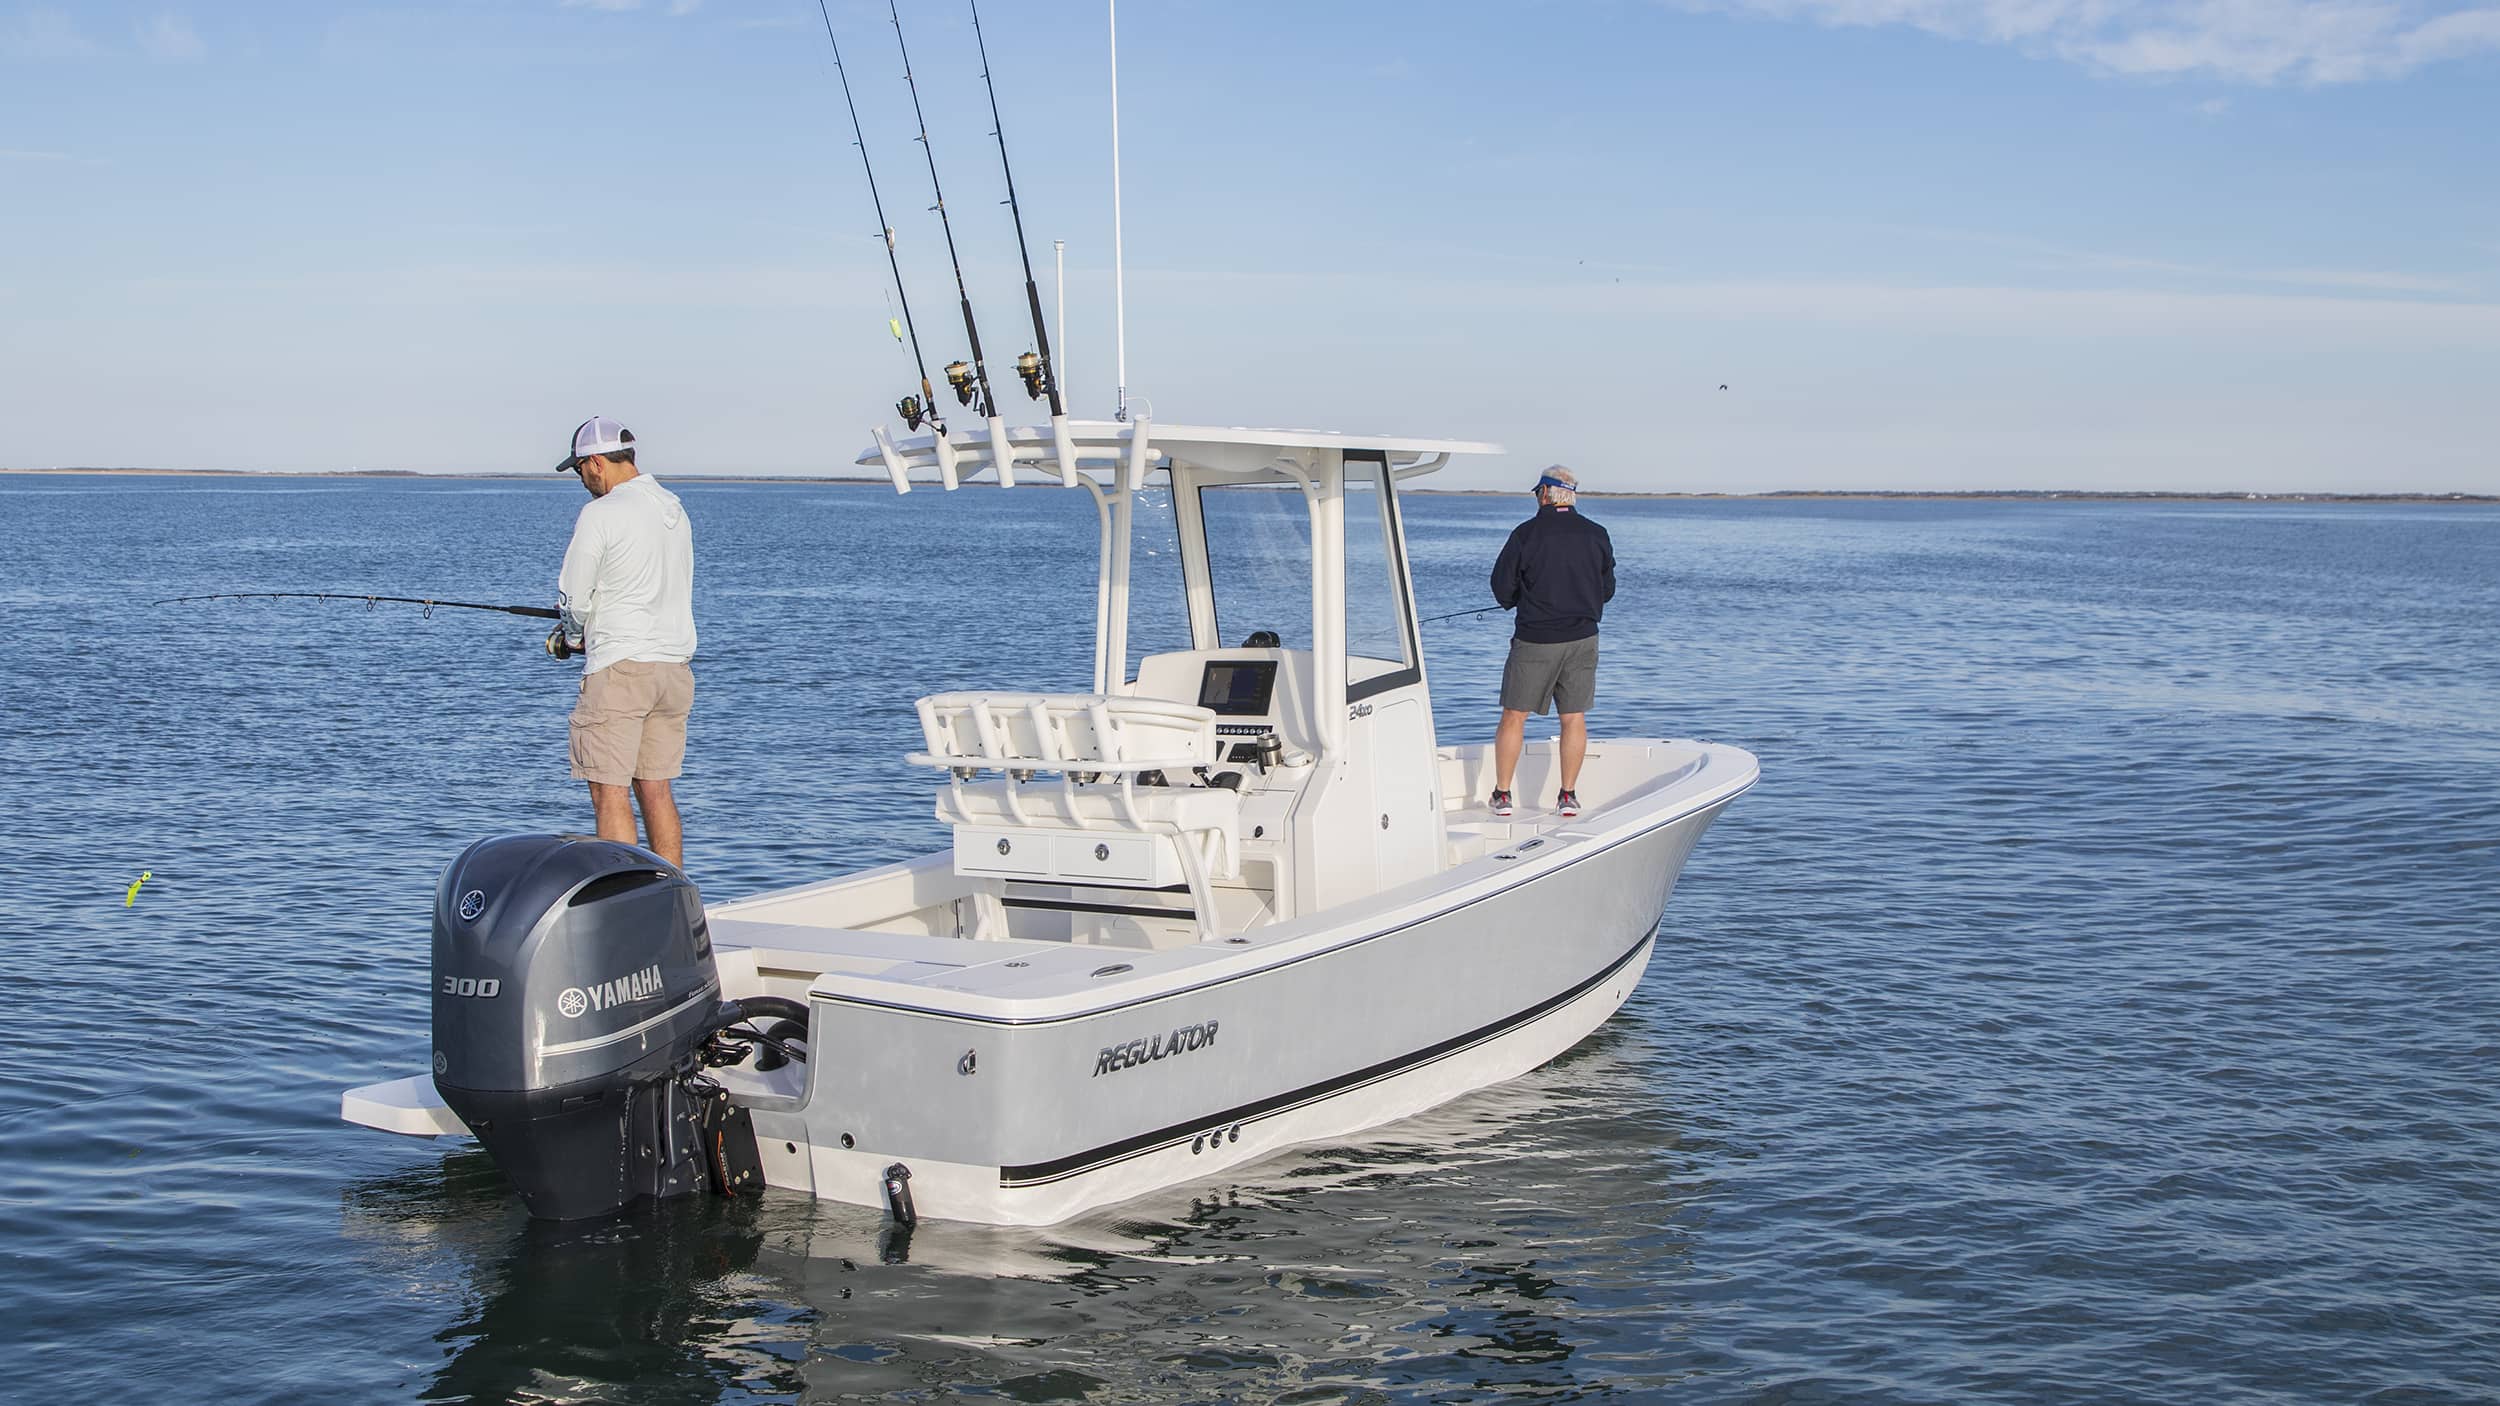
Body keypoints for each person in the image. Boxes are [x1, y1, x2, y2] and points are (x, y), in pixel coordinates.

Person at [549, 417, 697, 865]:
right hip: (673, 668)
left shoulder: (601, 513)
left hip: (621, 668)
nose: (582, 481)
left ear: (596, 463)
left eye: (579, 471)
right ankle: (672, 892)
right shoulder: (673, 508)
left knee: (608, 790)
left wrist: (572, 637)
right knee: (656, 788)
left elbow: (573, 598)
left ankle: (624, 905)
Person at [1488, 465, 1613, 819]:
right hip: (1584, 638)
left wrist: (1517, 600)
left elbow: (1501, 588)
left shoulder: (1526, 534)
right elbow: (1607, 590)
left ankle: (1502, 796)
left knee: (1514, 715)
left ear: (1545, 493)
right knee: (1573, 718)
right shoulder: (1597, 534)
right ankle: (1568, 796)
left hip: (1535, 639)